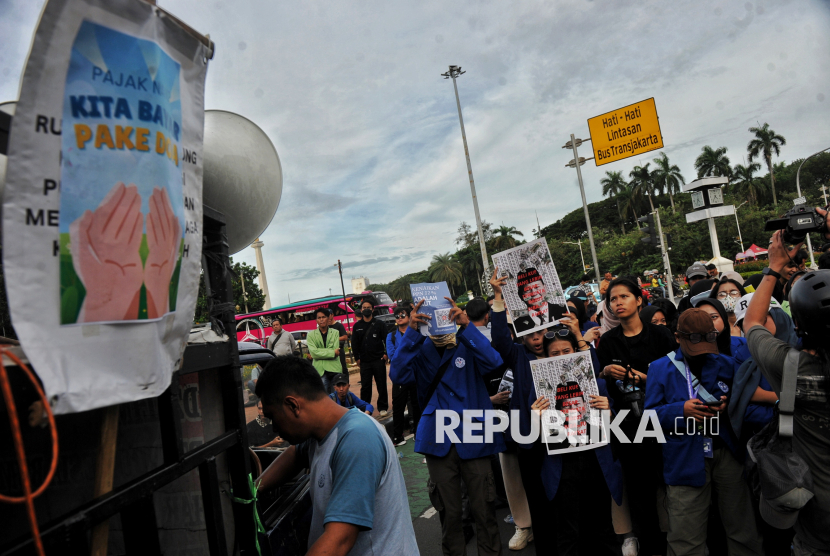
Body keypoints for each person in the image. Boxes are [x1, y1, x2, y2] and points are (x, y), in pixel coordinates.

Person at [255, 356, 418, 555]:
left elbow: (339, 540)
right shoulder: (320, 432)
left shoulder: (357, 438)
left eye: (273, 417)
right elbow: (295, 454)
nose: (274, 428)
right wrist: (253, 490)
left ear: (293, 405)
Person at [391, 296, 505, 556]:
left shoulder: (467, 340)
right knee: (450, 514)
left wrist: (466, 326)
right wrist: (411, 332)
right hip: (438, 437)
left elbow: (495, 362)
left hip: (474, 432)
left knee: (484, 510)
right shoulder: (419, 347)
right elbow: (397, 374)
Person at [644, 309, 762, 556]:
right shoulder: (659, 368)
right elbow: (649, 417)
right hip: (685, 456)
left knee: (742, 528)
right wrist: (681, 409)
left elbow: (745, 405)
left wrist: (727, 405)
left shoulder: (727, 364)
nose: (703, 352)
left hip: (726, 453)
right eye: (694, 344)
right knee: (686, 535)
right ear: (677, 337)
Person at [743, 229, 830, 555]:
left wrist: (774, 267)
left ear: (797, 322)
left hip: (816, 517)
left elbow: (751, 322)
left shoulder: (789, 365)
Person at [597, 277, 678, 555]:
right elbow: (605, 391)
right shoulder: (607, 342)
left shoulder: (660, 336)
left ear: (639, 299)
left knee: (674, 489)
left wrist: (647, 378)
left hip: (664, 423)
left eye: (623, 296)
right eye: (612, 299)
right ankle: (651, 547)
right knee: (641, 497)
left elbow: (679, 378)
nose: (617, 302)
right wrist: (605, 372)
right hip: (628, 427)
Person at [467, 296, 534, 551]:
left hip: (536, 425)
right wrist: (497, 300)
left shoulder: (536, 352)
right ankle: (523, 525)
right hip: (505, 424)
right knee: (512, 476)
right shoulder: (504, 352)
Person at [387, 305, 421, 446]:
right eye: (397, 316)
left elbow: (419, 354)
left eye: (402, 315)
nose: (399, 318)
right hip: (400, 376)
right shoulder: (392, 336)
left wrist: (404, 355)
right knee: (398, 407)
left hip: (414, 375)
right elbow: (393, 356)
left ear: (409, 317)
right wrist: (408, 353)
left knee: (417, 405)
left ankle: (418, 432)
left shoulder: (418, 333)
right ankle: (398, 436)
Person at [351, 298, 389, 416]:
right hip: (365, 362)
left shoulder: (380, 324)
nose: (366, 309)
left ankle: (383, 407)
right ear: (361, 310)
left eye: (368, 308)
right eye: (364, 308)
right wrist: (357, 357)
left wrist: (386, 354)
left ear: (373, 309)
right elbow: (354, 343)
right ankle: (365, 408)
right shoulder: (357, 326)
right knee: (365, 386)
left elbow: (387, 340)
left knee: (381, 384)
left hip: (378, 360)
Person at [511, 267, 568, 334]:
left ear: (545, 287)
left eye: (537, 287)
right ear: (520, 295)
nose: (534, 293)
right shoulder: (517, 325)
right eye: (527, 290)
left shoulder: (564, 311)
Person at [693, 297, 751, 364]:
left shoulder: (744, 344)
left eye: (713, 317)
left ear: (724, 318)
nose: (708, 323)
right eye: (701, 319)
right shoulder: (691, 351)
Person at [307, 308, 343, 394]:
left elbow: (337, 351)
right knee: (324, 397)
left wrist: (320, 352)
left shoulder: (335, 333)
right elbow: (314, 354)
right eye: (319, 318)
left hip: (334, 368)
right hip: (320, 370)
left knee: (337, 397)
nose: (321, 319)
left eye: (324, 317)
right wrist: (332, 352)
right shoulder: (311, 335)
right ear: (316, 320)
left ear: (328, 318)